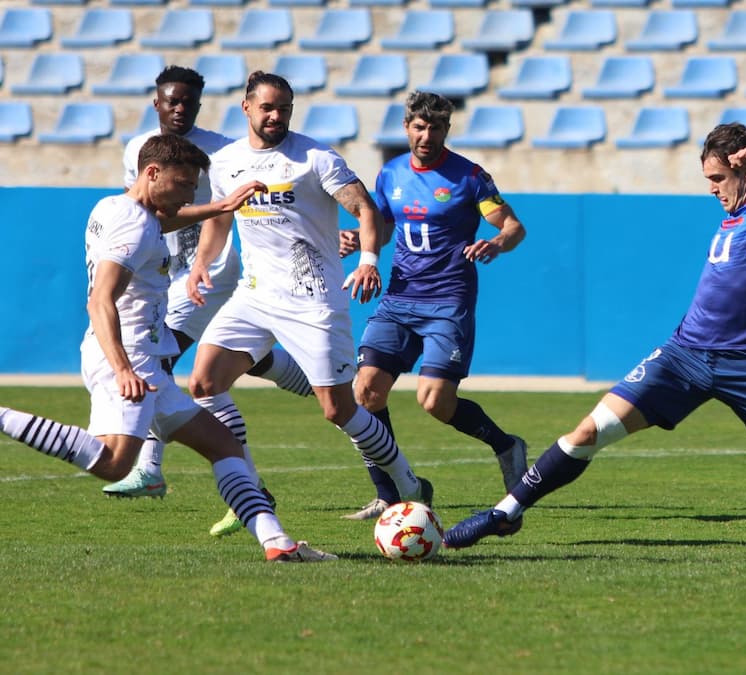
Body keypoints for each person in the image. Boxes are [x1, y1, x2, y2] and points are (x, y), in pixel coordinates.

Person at [443, 123, 746, 565]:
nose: (713, 190)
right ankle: (504, 512)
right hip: (684, 354)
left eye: (717, 178)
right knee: (590, 431)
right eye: (709, 181)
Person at [0, 134, 333, 562]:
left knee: (224, 446)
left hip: (145, 362)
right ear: (152, 173)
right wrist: (123, 369)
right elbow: (100, 299)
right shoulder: (135, 225)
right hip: (130, 360)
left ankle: (279, 545)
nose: (190, 194)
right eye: (183, 184)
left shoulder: (115, 207)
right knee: (115, 463)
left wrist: (220, 206)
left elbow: (159, 224)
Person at [187, 71, 430, 536]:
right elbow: (220, 219)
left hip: (313, 300)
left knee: (338, 409)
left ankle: (408, 481)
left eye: (284, 109)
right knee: (203, 382)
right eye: (268, 108)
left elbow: (365, 209)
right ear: (247, 108)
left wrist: (368, 259)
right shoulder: (225, 162)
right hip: (254, 295)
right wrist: (202, 262)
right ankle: (250, 490)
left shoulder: (315, 157)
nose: (276, 116)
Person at [104, 65, 316, 501]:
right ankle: (318, 383)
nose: (181, 108)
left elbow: (246, 208)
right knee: (245, 358)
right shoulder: (137, 150)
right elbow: (143, 213)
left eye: (190, 102)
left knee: (158, 363)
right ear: (156, 102)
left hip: (210, 273)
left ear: (200, 106)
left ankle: (151, 469)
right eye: (173, 100)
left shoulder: (221, 151)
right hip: (165, 274)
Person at [340, 91, 529, 521]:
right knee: (365, 392)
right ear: (407, 127)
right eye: (419, 127)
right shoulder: (390, 174)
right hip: (399, 297)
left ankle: (506, 445)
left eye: (436, 128)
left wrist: (497, 242)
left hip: (448, 301)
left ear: (447, 130)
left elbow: (513, 226)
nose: (427, 135)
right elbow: (384, 230)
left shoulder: (468, 178)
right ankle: (390, 495)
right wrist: (358, 242)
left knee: (435, 402)